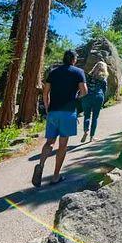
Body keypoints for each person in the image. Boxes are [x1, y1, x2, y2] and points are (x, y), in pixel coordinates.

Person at [33, 50, 87, 187]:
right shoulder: (78, 72)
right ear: (74, 59)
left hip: (53, 112)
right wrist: (75, 98)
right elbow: (84, 91)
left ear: (63, 59)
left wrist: (47, 107)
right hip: (68, 112)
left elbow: (45, 92)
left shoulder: (53, 72)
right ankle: (55, 176)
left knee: (49, 142)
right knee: (62, 145)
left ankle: (40, 165)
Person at [81, 60, 109, 143]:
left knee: (86, 115)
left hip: (87, 97)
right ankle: (91, 137)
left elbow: (84, 86)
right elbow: (104, 89)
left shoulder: (89, 76)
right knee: (95, 117)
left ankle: (86, 131)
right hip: (98, 97)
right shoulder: (103, 77)